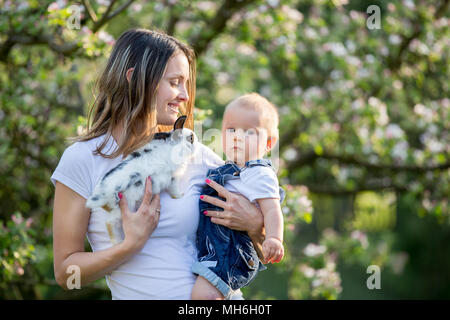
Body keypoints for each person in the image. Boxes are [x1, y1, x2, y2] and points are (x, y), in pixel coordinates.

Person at [50, 28, 266, 299]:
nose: (185, 96)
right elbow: (65, 274)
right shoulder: (82, 159)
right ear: (133, 79)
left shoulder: (196, 156)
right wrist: (130, 244)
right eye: (175, 82)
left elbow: (260, 246)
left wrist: (256, 224)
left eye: (186, 83)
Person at [191, 93, 285, 300]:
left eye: (249, 132)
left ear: (269, 143)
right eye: (231, 130)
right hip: (215, 246)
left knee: (202, 296)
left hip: (232, 250)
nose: (237, 137)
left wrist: (274, 238)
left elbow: (272, 210)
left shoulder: (260, 173)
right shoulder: (226, 168)